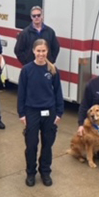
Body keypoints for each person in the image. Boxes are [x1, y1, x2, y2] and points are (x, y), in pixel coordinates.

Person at [18, 39, 64, 187]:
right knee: (31, 145)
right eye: (38, 51)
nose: (41, 54)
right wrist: (22, 114)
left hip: (49, 112)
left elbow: (58, 92)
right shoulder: (26, 70)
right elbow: (21, 93)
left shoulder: (52, 70)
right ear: (33, 51)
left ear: (47, 52)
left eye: (43, 51)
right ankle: (31, 173)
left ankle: (45, 172)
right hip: (32, 112)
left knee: (47, 145)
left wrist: (59, 113)